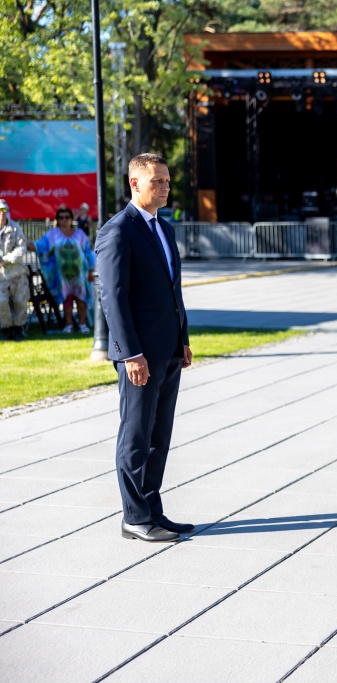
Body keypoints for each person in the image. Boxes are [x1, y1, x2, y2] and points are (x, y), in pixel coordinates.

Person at [96, 153, 193, 543]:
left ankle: (152, 510)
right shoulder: (118, 231)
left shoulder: (163, 228)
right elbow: (113, 298)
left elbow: (173, 289)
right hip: (139, 355)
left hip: (168, 350)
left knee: (159, 435)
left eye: (167, 181)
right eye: (157, 181)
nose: (165, 187)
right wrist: (130, 353)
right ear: (135, 183)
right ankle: (134, 517)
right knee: (136, 435)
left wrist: (183, 339)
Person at [29, 207, 96, 333]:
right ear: (57, 220)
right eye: (61, 218)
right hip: (62, 276)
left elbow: (87, 252)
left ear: (71, 219)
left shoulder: (80, 234)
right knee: (67, 300)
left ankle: (83, 325)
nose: (64, 220)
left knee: (81, 300)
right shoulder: (52, 234)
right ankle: (68, 326)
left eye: (67, 217)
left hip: (80, 274)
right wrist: (23, 244)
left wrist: (91, 270)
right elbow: (40, 246)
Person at [0, 199, 30, 341]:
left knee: (20, 301)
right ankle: (6, 329)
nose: (2, 213)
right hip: (1, 275)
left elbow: (22, 249)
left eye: (4, 210)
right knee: (1, 302)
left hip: (16, 272)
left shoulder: (15, 228)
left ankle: (18, 329)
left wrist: (5, 259)